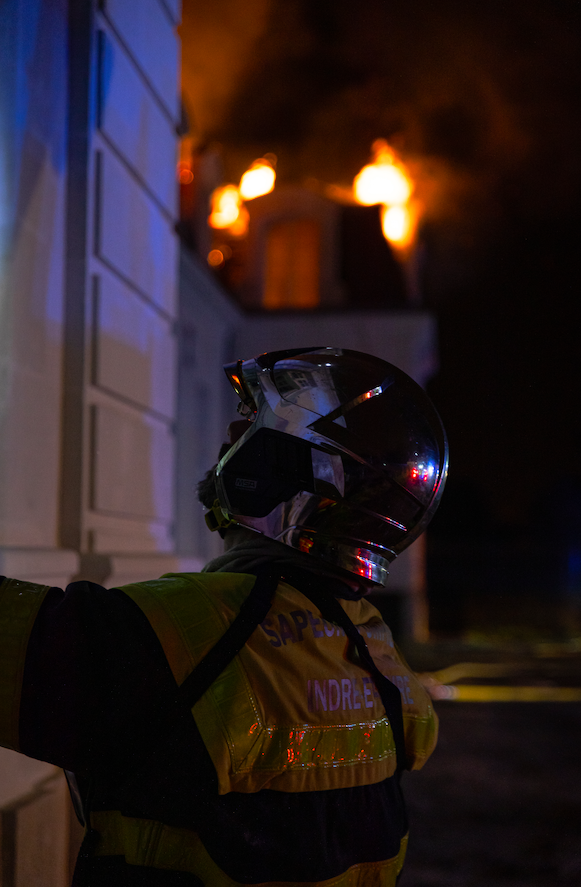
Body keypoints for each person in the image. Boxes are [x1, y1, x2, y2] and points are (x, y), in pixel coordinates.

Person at [0, 346, 448, 886]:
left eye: (253, 426)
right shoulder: (384, 665)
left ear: (281, 473)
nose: (232, 436)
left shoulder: (181, 634)